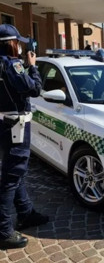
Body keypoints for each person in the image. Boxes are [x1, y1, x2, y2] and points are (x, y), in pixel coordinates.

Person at [0, 24, 49, 250]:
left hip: (5, 123)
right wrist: (33, 67)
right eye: (17, 42)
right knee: (11, 177)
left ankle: (26, 213)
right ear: (11, 44)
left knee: (14, 172)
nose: (20, 46)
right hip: (15, 126)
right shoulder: (13, 65)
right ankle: (3, 231)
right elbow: (34, 89)